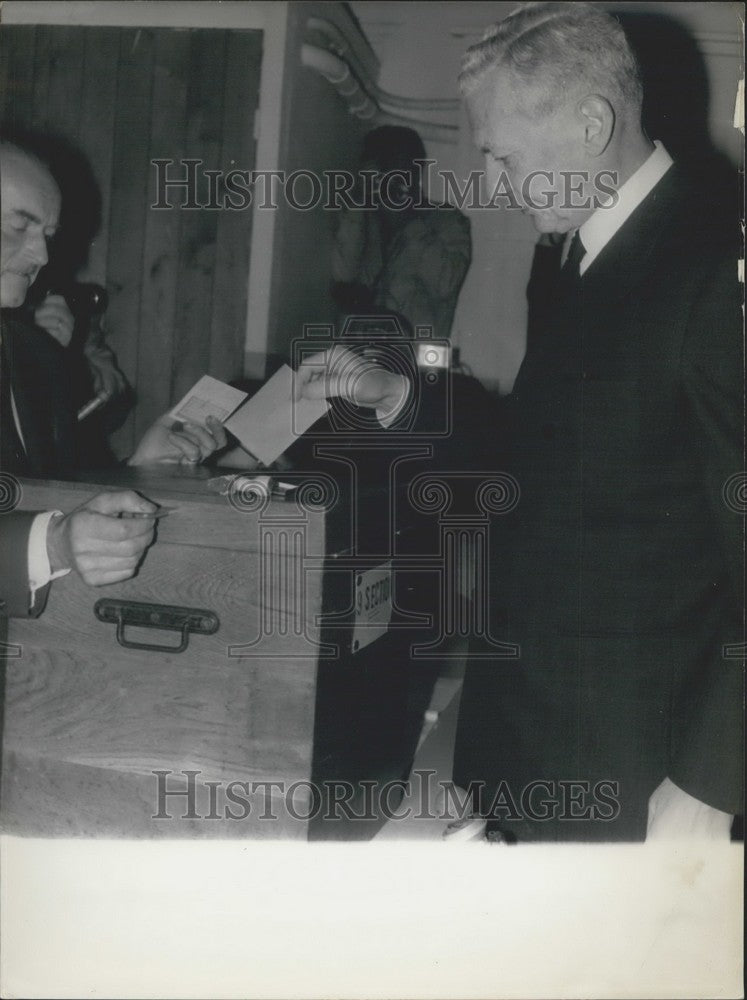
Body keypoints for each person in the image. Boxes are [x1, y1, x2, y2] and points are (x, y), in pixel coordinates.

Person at [298, 2, 743, 841]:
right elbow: (552, 448)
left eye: (503, 155)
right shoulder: (572, 253)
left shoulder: (716, 264)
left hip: (641, 769)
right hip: (530, 731)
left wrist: (711, 784)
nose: (496, 184)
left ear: (589, 124)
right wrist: (398, 400)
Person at [1, 138, 225, 618]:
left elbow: (44, 489)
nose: (41, 253)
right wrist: (55, 545)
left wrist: (137, 466)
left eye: (49, 233)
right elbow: (49, 533)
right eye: (20, 226)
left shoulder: (35, 354)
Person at [332, 125, 471, 341]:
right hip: (359, 353)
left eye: (401, 166)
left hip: (415, 358)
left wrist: (410, 223)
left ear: (417, 170)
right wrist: (358, 201)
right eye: (385, 167)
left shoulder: (446, 220)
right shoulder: (364, 217)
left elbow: (447, 283)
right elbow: (342, 274)